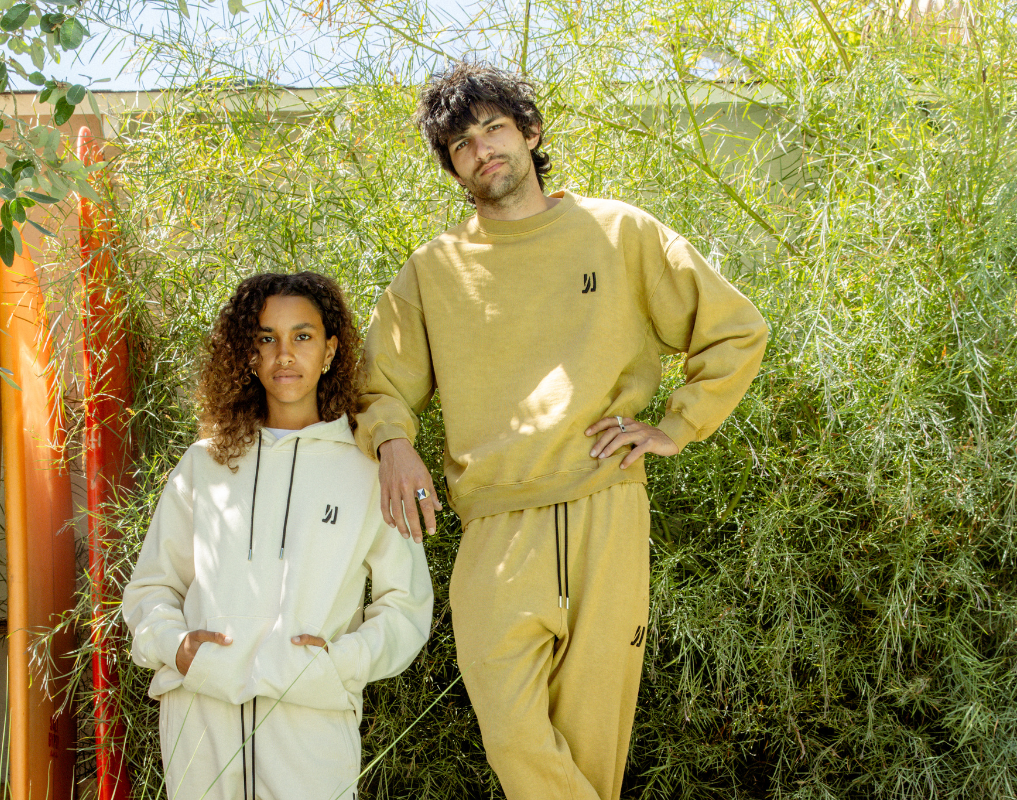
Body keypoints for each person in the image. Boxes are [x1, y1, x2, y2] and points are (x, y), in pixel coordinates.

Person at [355, 62, 769, 800]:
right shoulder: (434, 270)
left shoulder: (620, 232)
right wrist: (393, 443)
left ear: (530, 132)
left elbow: (735, 330)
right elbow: (379, 384)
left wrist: (676, 426)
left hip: (606, 506)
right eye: (461, 144)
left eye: (494, 128)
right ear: (452, 167)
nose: (482, 150)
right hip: (493, 526)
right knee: (513, 734)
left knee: (591, 748)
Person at [123, 272, 433, 800]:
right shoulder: (205, 464)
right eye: (267, 338)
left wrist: (338, 664)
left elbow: (406, 606)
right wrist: (177, 648)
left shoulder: (367, 472)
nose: (284, 354)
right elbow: (151, 588)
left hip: (311, 730)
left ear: (331, 350)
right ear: (249, 353)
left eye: (302, 336)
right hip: (200, 723)